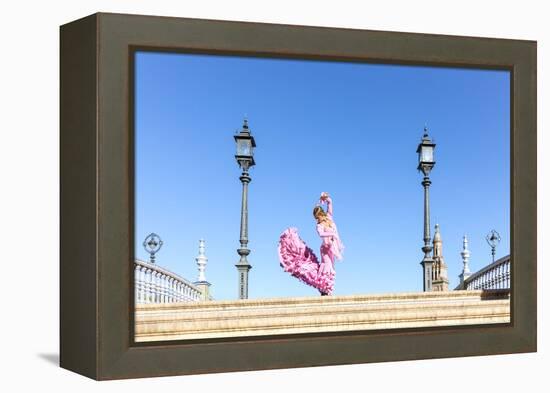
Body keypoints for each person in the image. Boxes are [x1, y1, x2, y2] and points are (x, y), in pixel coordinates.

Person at [278, 192, 344, 296]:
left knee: (331, 268)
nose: (317, 220)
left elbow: (330, 203)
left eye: (318, 217)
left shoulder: (329, 218)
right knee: (327, 267)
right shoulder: (319, 225)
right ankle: (324, 289)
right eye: (316, 218)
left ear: (321, 214)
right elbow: (321, 234)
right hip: (325, 249)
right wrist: (333, 233)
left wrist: (325, 198)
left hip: (332, 249)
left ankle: (326, 289)